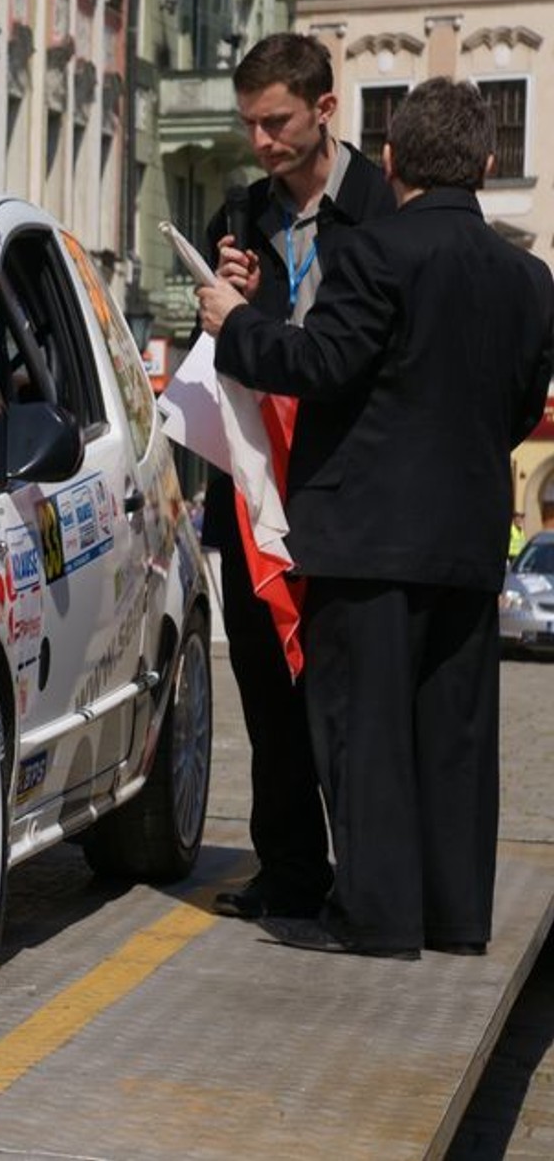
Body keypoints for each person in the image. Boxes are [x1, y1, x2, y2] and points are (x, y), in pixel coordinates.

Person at [196, 77, 554, 958]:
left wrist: (236, 321)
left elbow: (321, 363)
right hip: (468, 539)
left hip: (364, 536)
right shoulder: (529, 275)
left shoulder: (375, 255)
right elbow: (518, 408)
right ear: (488, 162)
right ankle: (455, 916)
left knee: (365, 733)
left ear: (390, 161)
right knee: (455, 737)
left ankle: (376, 916)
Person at [199, 32, 397, 923]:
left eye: (276, 121)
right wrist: (225, 292)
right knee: (267, 693)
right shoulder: (239, 215)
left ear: (325, 108)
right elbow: (228, 350)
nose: (263, 142)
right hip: (252, 496)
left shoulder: (384, 210)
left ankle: (370, 877)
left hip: (351, 489)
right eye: (250, 125)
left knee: (350, 695)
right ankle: (288, 870)